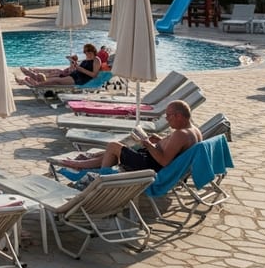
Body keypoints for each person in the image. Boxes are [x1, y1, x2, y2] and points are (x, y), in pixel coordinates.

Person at [59, 100, 202, 172]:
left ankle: (96, 176)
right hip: (153, 161)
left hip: (151, 167)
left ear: (178, 116)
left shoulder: (181, 134)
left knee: (114, 146)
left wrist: (148, 144)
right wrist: (159, 141)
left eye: (168, 116)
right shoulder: (194, 130)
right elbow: (174, 151)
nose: (166, 119)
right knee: (124, 147)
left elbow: (164, 161)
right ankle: (88, 161)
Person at [21, 44, 101, 87]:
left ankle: (37, 84)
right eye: (86, 52)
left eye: (89, 52)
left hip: (81, 79)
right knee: (56, 78)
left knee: (57, 80)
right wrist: (73, 63)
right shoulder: (87, 59)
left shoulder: (96, 60)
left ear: (93, 51)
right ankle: (35, 78)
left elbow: (94, 75)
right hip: (75, 75)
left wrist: (80, 69)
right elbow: (78, 69)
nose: (87, 54)